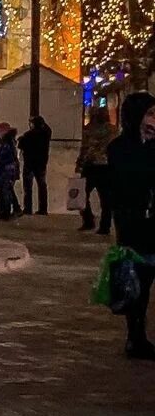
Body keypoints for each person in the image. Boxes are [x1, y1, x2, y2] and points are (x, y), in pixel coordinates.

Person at [106, 92, 155, 360]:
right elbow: (125, 186)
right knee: (138, 287)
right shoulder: (120, 148)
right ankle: (136, 338)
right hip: (136, 227)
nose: (153, 120)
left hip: (150, 224)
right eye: (149, 114)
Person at [75, 107, 115, 233]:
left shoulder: (89, 129)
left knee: (82, 195)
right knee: (105, 198)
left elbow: (85, 147)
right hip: (105, 166)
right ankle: (105, 225)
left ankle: (88, 221)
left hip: (91, 165)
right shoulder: (112, 130)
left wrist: (80, 163)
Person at [16, 114, 52, 216]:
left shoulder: (28, 135)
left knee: (28, 186)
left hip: (30, 163)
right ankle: (43, 208)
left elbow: (21, 145)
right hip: (41, 163)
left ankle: (28, 208)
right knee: (42, 186)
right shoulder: (46, 133)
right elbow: (48, 128)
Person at [0, 124, 21, 220]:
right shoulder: (9, 142)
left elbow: (3, 157)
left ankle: (5, 212)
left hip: (6, 171)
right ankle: (11, 210)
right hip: (9, 170)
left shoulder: (6, 143)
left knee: (5, 191)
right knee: (7, 190)